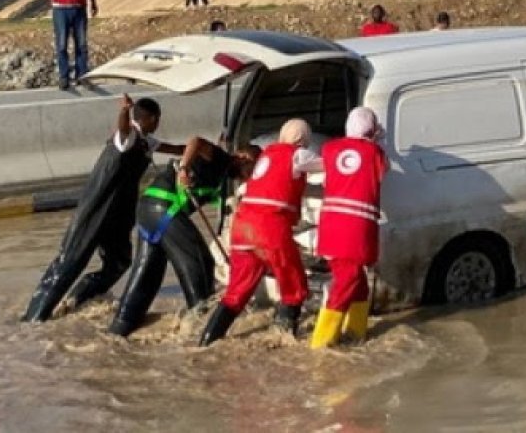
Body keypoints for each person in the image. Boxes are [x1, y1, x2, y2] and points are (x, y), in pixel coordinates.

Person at [22, 94, 183, 323]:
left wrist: (208, 149)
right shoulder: (127, 137)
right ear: (150, 118)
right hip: (97, 209)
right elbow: (123, 131)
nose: (158, 124)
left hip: (119, 214)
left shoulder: (147, 141)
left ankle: (79, 298)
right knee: (71, 260)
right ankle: (35, 316)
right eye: (157, 120)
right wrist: (124, 111)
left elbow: (177, 148)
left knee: (119, 261)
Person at [108, 137, 258, 338]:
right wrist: (183, 169)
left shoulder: (221, 177)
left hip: (148, 211)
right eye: (249, 172)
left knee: (148, 276)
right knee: (201, 262)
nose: (246, 178)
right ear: (243, 157)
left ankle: (119, 329)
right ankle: (201, 331)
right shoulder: (220, 157)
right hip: (164, 209)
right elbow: (195, 142)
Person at [199, 119, 323, 346]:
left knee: (236, 292)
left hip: (243, 227)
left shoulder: (268, 156)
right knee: (294, 283)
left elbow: (290, 187)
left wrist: (324, 192)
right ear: (302, 140)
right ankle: (282, 341)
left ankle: (205, 343)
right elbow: (335, 165)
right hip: (269, 228)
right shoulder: (297, 155)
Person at [311, 107, 389, 349]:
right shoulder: (375, 152)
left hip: (330, 224)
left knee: (358, 282)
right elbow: (382, 172)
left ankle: (356, 334)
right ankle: (321, 343)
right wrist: (377, 141)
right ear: (372, 130)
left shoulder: (330, 148)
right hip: (356, 227)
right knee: (349, 279)